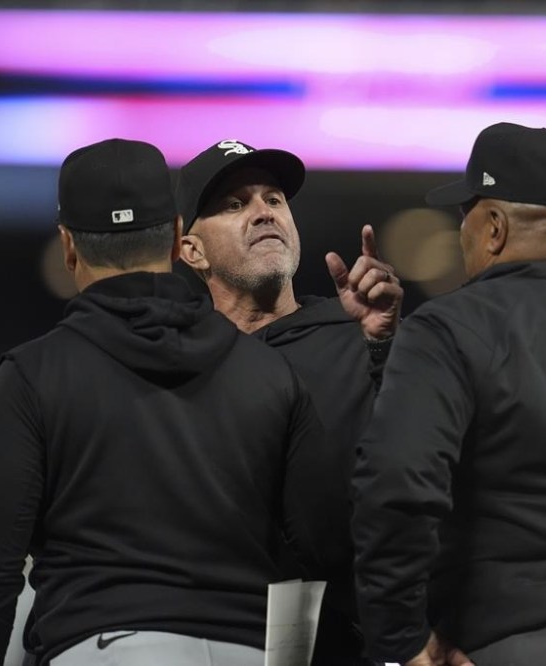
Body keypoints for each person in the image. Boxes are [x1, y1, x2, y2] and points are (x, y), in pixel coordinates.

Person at [0, 139, 343, 664]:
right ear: (179, 236)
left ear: (68, 245)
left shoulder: (31, 374)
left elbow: (1, 567)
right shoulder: (268, 373)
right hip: (246, 648)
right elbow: (326, 548)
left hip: (102, 644)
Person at [351, 122, 546, 666]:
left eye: (466, 218)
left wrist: (401, 640)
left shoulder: (454, 325)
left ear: (493, 226)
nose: (462, 234)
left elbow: (398, 481)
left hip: (520, 641)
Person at [176, 140, 402, 664]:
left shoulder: (357, 338)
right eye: (235, 205)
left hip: (344, 641)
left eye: (274, 200)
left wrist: (383, 346)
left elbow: (415, 475)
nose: (262, 214)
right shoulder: (178, 362)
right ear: (192, 251)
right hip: (206, 633)